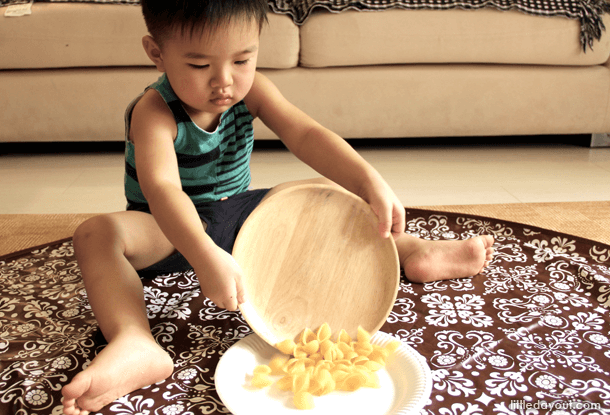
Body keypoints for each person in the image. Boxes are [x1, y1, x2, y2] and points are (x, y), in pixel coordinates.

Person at [61, 0, 495, 413]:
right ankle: (135, 340)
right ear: (156, 52)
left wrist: (367, 181)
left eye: (242, 60)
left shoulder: (252, 92)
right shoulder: (153, 112)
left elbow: (307, 135)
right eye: (199, 65)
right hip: (164, 228)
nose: (224, 81)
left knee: (326, 192)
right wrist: (203, 253)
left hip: (240, 219)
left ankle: (409, 250)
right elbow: (163, 190)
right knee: (97, 233)